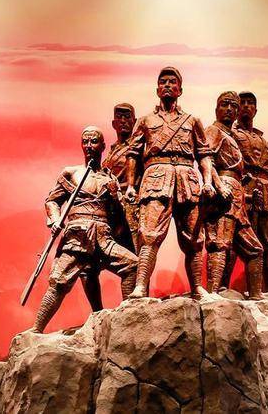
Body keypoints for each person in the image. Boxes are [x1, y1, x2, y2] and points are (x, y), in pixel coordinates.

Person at [30, 126, 138, 333]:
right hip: (77, 236)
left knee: (132, 265)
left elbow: (118, 215)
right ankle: (36, 329)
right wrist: (55, 220)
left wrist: (115, 198)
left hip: (103, 236)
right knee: (59, 281)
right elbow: (52, 200)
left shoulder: (110, 179)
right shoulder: (71, 173)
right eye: (85, 141)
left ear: (103, 146)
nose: (89, 146)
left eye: (94, 141)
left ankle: (127, 318)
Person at [125, 67, 215, 299]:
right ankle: (140, 286)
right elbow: (133, 154)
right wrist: (131, 185)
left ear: (180, 90)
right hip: (156, 178)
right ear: (157, 89)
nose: (167, 85)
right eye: (163, 82)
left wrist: (207, 181)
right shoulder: (145, 121)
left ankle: (197, 287)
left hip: (187, 179)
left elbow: (204, 154)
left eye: (172, 82)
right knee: (149, 235)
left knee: (194, 239)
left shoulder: (192, 121)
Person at [202, 91, 263, 299]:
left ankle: (256, 298)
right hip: (223, 194)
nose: (229, 109)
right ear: (216, 109)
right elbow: (206, 161)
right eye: (225, 104)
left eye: (233, 106)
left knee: (254, 249)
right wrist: (218, 186)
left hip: (236, 197)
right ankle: (212, 295)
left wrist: (247, 197)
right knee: (220, 244)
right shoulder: (213, 131)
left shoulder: (232, 137)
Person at [229, 91, 268, 292]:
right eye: (242, 103)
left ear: (256, 109)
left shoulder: (264, 142)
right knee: (237, 239)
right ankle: (222, 286)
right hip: (244, 190)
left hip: (266, 193)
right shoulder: (232, 135)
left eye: (250, 103)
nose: (246, 106)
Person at [102, 103, 141, 252]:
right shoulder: (112, 150)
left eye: (127, 117)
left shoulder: (138, 148)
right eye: (119, 117)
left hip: (130, 206)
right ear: (114, 123)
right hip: (112, 207)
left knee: (134, 254)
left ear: (134, 121)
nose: (123, 121)